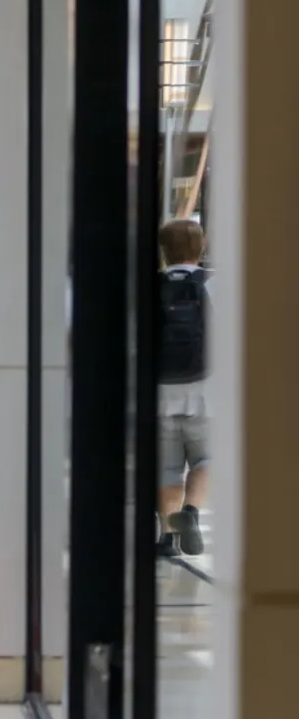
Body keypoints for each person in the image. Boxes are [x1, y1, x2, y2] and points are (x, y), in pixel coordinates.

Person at [155, 219, 211, 557]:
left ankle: (167, 536)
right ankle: (190, 511)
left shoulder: (149, 287)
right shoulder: (217, 285)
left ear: (164, 250)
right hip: (207, 392)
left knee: (166, 466)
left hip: (159, 392)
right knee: (207, 458)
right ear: (201, 248)